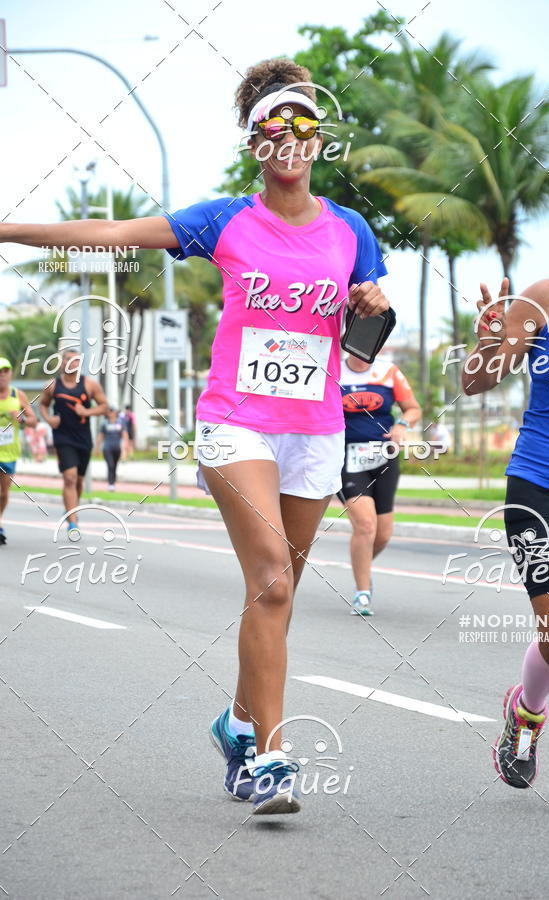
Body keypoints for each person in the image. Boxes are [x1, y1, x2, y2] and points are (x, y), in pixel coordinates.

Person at [0, 58, 390, 816]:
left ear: (318, 140)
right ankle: (273, 760)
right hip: (234, 421)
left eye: (303, 123)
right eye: (274, 124)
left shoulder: (351, 230)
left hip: (315, 429)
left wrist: (370, 301)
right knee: (272, 577)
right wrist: (6, 227)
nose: (290, 135)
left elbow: (363, 342)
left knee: (274, 596)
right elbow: (111, 232)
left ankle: (236, 724)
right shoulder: (225, 219)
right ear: (255, 142)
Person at [463, 169, 549, 815]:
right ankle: (527, 709)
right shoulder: (548, 295)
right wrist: (490, 341)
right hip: (547, 486)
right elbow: (475, 382)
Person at [338, 353, 421, 615]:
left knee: (382, 534)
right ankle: (362, 592)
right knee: (365, 525)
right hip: (346, 457)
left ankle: (360, 564)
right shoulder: (333, 371)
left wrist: (402, 425)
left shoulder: (389, 371)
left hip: (384, 456)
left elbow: (413, 407)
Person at [39, 350, 108, 534]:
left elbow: (104, 406)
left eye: (75, 360)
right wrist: (48, 419)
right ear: (62, 363)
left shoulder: (90, 385)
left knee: (78, 480)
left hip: (83, 438)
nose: (71, 363)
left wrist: (87, 412)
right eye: (68, 359)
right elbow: (43, 405)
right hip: (62, 437)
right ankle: (73, 523)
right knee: (69, 477)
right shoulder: (53, 386)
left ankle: (71, 510)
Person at [0, 357, 37, 544]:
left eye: (5, 371)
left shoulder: (18, 395)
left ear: (10, 374)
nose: (2, 375)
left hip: (9, 452)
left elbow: (33, 420)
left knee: (3, 493)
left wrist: (20, 418)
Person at [96, 407, 128, 491]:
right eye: (109, 411)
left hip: (117, 448)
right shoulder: (105, 423)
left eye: (112, 411)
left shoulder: (120, 422)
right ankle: (111, 484)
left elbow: (124, 434)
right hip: (107, 448)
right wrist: (97, 448)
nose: (111, 413)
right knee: (110, 465)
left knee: (114, 466)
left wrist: (125, 447)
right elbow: (101, 436)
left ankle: (113, 481)